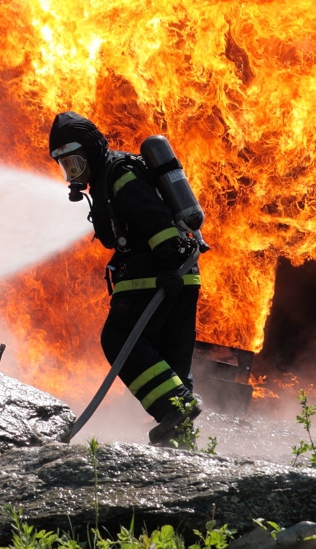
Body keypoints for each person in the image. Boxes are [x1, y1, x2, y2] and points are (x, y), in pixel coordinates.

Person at [48, 111, 203, 445]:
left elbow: (155, 219)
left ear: (90, 151)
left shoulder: (120, 175)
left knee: (119, 338)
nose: (74, 173)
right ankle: (178, 440)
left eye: (75, 163)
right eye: (66, 167)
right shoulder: (108, 178)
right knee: (170, 361)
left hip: (158, 276)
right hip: (179, 276)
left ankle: (176, 407)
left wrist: (168, 264)